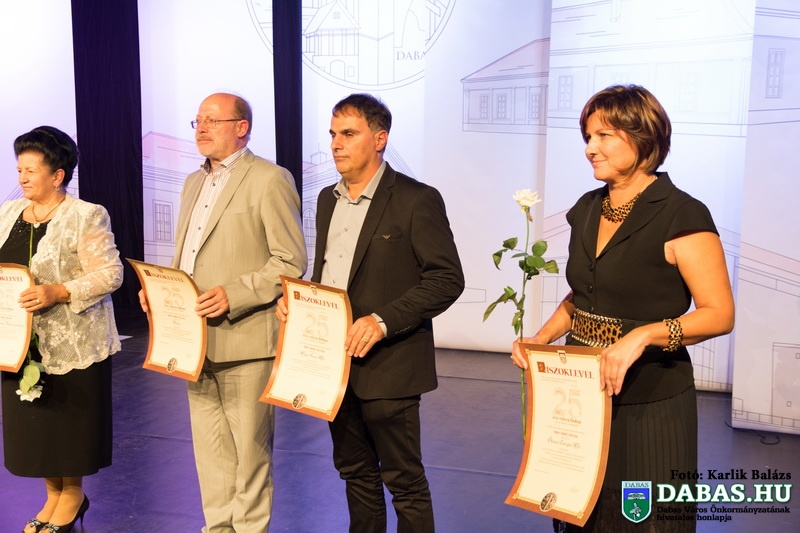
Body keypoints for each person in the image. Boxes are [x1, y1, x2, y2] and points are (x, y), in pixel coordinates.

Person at [512, 85, 735, 532]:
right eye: (587, 137)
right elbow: (584, 295)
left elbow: (719, 313)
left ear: (643, 137)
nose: (589, 148)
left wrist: (643, 335)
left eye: (604, 135)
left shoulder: (682, 214)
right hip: (580, 399)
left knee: (644, 522)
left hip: (650, 403)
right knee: (579, 516)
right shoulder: (585, 209)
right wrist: (541, 338)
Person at [278, 93, 465, 532]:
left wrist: (382, 321)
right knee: (355, 474)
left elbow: (446, 279)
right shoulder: (326, 199)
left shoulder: (417, 199)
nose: (335, 144)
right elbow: (330, 276)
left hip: (390, 367)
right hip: (334, 367)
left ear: (380, 139)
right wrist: (301, 304)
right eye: (332, 134)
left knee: (404, 482)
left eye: (348, 133)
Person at [140, 92, 306, 532]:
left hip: (246, 337)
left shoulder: (269, 178)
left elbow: (290, 261)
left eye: (213, 120)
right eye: (198, 120)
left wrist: (235, 294)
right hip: (195, 342)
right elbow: (186, 257)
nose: (202, 128)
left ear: (242, 127)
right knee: (210, 454)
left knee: (250, 456)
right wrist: (161, 293)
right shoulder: (192, 182)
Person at [0, 126, 123, 533]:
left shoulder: (86, 215)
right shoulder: (7, 214)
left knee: (68, 428)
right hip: (20, 343)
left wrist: (60, 291)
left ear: (57, 175)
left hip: (73, 341)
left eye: (31, 170)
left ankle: (72, 497)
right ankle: (52, 497)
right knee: (39, 429)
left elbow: (110, 273)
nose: (22, 178)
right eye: (19, 170)